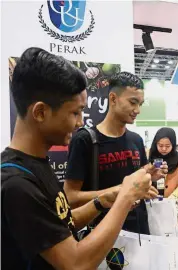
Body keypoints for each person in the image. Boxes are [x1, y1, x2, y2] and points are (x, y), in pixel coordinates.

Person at [1, 47, 155, 270]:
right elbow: (76, 263)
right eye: (75, 112)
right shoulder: (17, 184)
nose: (81, 122)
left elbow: (62, 224)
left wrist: (102, 201)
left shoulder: (37, 165)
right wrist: (126, 196)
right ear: (41, 112)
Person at [64, 72, 166, 234]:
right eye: (133, 102)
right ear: (113, 99)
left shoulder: (136, 140)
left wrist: (149, 177)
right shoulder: (85, 140)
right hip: (102, 235)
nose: (138, 110)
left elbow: (137, 184)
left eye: (140, 104)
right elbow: (70, 197)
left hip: (139, 233)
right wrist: (122, 190)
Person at [149, 128, 178, 198]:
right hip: (151, 199)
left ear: (173, 144)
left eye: (168, 146)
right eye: (160, 146)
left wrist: (174, 195)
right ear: (156, 144)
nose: (164, 149)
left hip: (172, 200)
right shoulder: (149, 156)